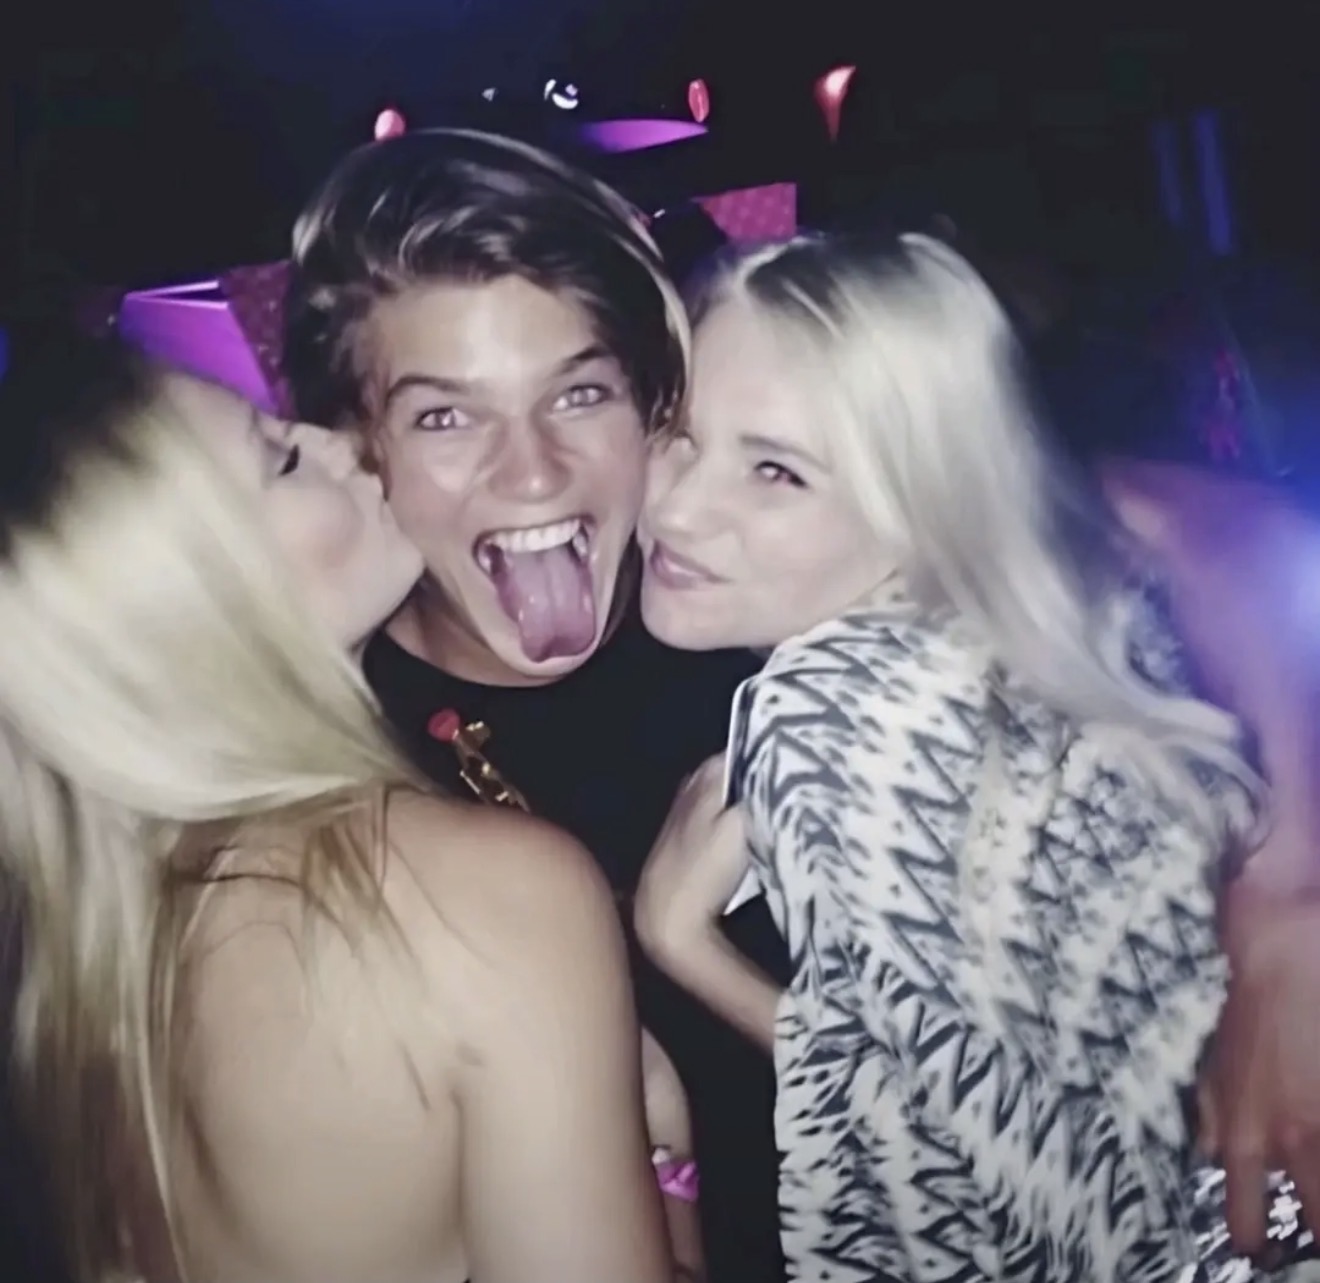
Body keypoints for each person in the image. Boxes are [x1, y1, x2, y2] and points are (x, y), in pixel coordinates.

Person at [633, 232, 1270, 1280]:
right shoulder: (1035, 641)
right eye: (678, 433)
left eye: (777, 470)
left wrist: (684, 945)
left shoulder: (832, 710)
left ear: (920, 509)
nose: (676, 505)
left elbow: (1015, 1184)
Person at [0, 329, 675, 1283]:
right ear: (199, 603)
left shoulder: (86, 940)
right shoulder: (477, 891)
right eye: (280, 458)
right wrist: (668, 1160)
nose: (336, 442)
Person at [283, 128, 786, 1283]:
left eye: (580, 392)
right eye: (445, 416)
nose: (535, 472)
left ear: (654, 409)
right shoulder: (330, 774)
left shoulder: (757, 630)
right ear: (357, 448)